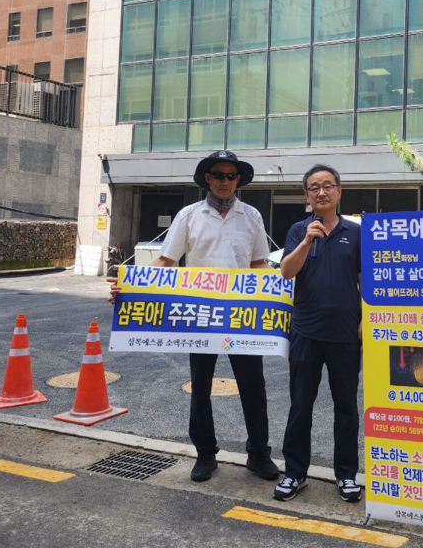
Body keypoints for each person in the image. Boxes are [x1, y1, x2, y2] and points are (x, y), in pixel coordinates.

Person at [108, 150, 279, 484]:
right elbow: (165, 262)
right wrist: (129, 287)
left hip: (242, 314)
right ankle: (205, 454)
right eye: (219, 175)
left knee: (253, 386)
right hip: (200, 315)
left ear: (239, 180)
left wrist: (277, 293)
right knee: (201, 385)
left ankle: (259, 454)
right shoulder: (189, 215)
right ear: (207, 179)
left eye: (232, 176)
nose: (226, 181)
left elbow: (259, 265)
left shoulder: (251, 216)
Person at [273, 164, 363, 504]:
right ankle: (295, 472)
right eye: (314, 187)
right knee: (300, 405)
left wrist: (364, 319)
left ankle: (346, 475)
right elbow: (286, 271)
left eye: (328, 186)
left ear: (339, 191)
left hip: (344, 335)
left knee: (346, 407)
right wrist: (308, 239)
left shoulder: (355, 233)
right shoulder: (299, 230)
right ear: (306, 196)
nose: (321, 192)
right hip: (305, 332)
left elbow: (363, 279)